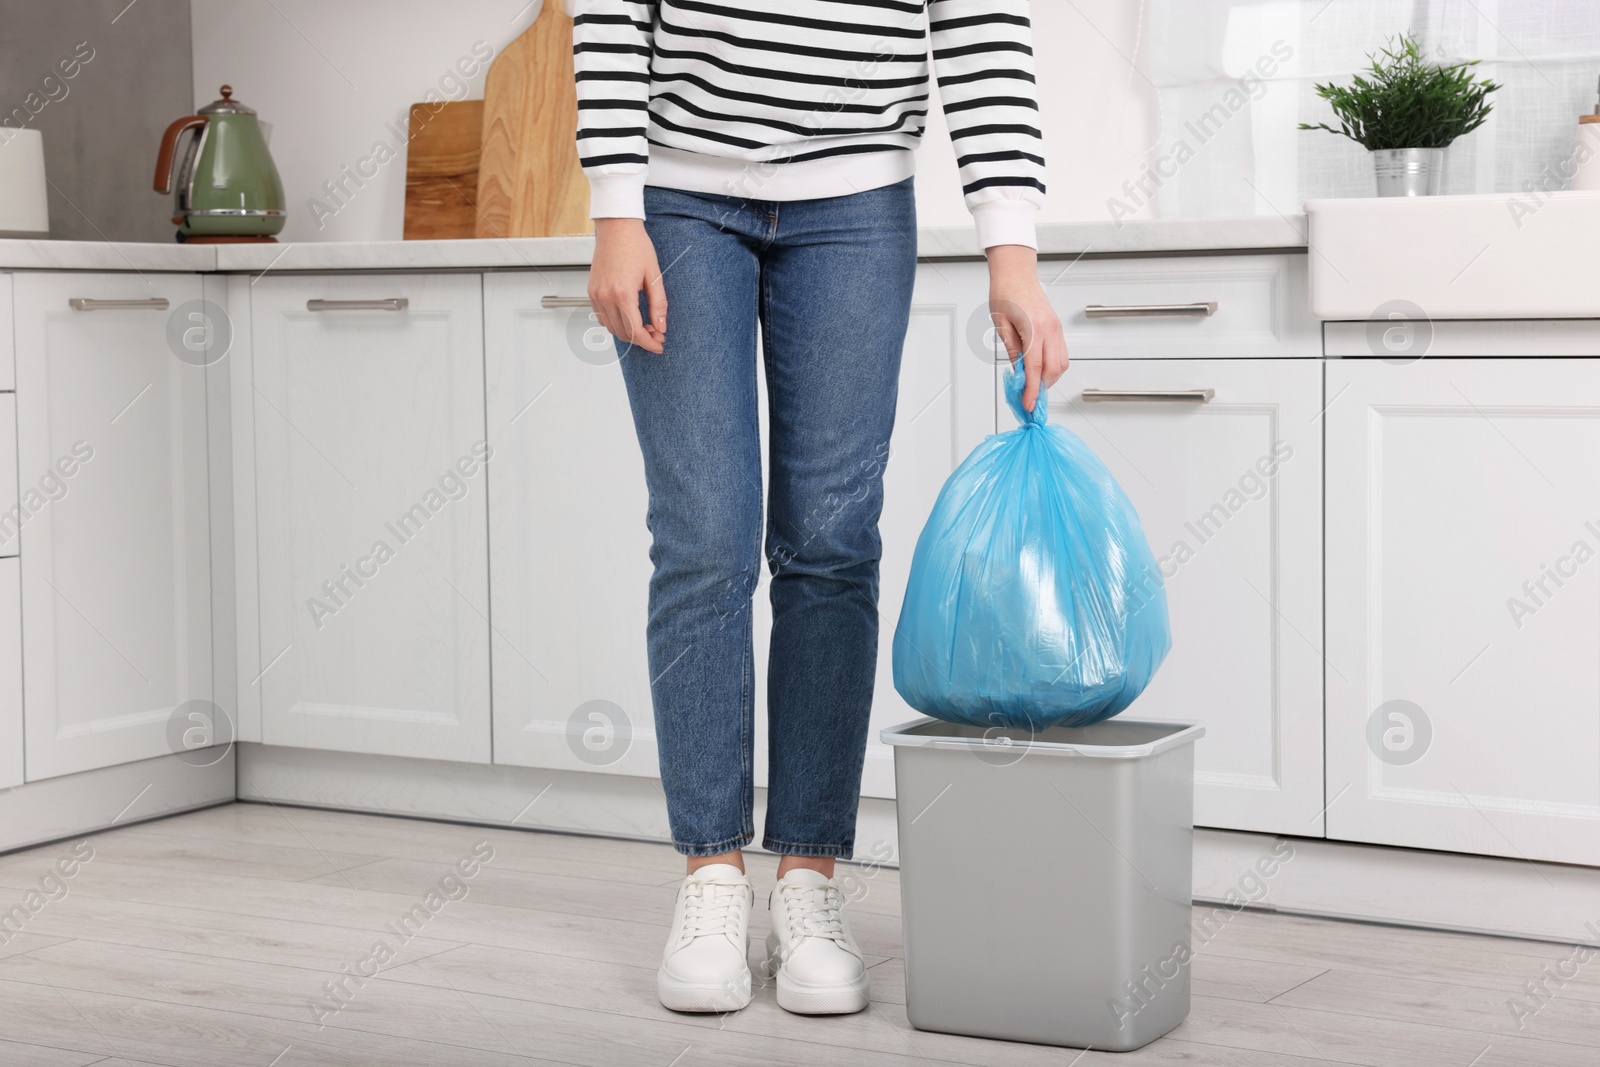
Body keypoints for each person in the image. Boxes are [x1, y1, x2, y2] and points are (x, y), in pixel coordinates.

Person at [571, 0, 1066, 1016]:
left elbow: (981, 25)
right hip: (678, 195)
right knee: (703, 541)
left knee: (831, 544)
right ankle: (710, 877)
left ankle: (808, 879)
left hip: (857, 202)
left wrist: (1009, 248)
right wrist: (615, 206)